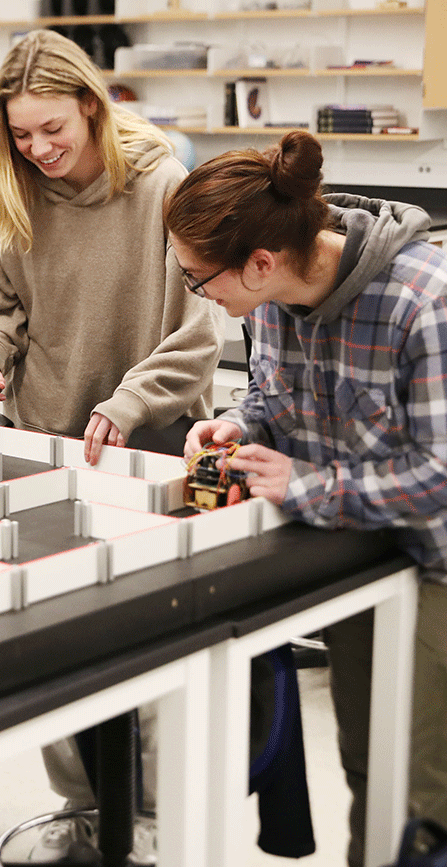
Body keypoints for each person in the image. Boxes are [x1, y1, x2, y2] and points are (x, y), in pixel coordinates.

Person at [0, 29, 223, 864]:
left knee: (140, 654)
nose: (37, 149)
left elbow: (199, 331)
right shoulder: (6, 194)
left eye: (53, 130)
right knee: (50, 647)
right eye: (21, 134)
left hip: (147, 449)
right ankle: (80, 812)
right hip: (43, 444)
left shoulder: (162, 188)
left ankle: (141, 824)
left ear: (91, 108)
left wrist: (130, 402)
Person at [164, 128, 447, 867]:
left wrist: (308, 485)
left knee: (422, 797)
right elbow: (269, 390)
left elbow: (442, 472)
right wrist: (234, 422)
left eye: (199, 279)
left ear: (259, 263)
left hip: (435, 565)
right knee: (369, 764)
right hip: (351, 551)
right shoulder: (267, 297)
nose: (197, 294)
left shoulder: (425, 302)